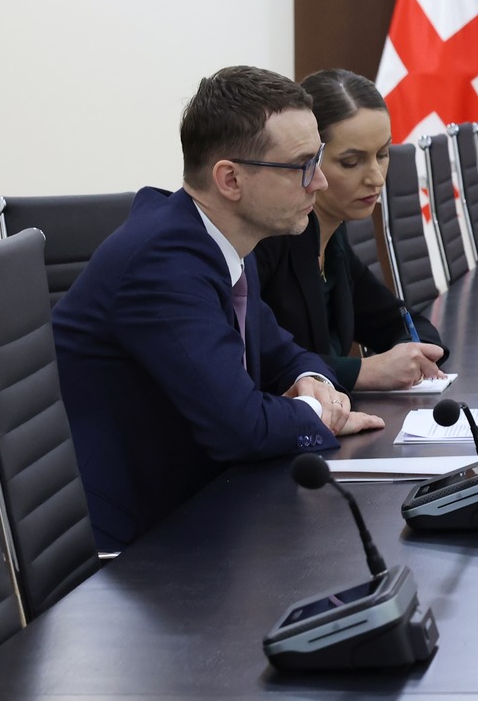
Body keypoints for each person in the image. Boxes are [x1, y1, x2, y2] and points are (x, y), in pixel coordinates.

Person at [54, 66, 384, 552]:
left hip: (205, 502)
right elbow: (240, 428)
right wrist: (319, 412)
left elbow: (282, 352)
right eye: (302, 166)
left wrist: (314, 381)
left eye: (317, 159)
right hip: (135, 544)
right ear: (230, 179)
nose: (318, 182)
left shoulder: (223, 239)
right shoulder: (163, 264)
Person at [256, 68, 446, 393]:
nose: (376, 178)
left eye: (382, 155)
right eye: (350, 162)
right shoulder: (265, 241)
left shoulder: (332, 239)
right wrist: (362, 371)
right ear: (307, 159)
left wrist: (412, 354)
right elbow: (254, 361)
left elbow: (399, 322)